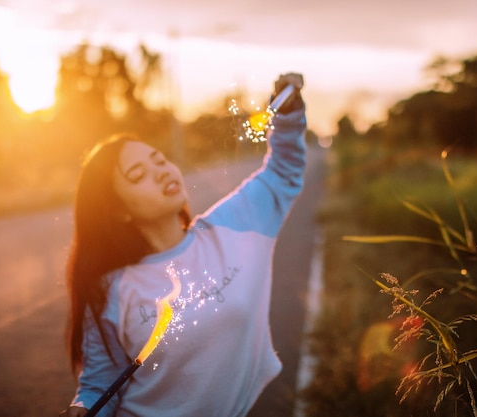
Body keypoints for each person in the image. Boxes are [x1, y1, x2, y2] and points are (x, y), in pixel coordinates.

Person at [61, 73, 307, 417]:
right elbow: (100, 384)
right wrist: (81, 409)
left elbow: (283, 172)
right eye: (138, 175)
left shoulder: (232, 227)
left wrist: (288, 115)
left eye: (159, 160)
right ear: (118, 211)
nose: (160, 171)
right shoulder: (111, 289)